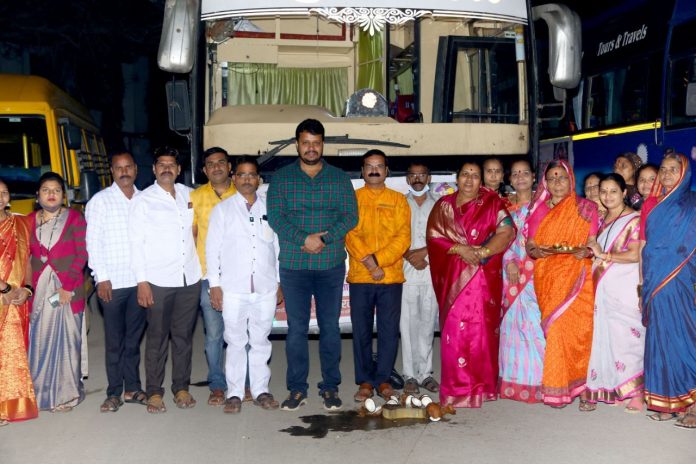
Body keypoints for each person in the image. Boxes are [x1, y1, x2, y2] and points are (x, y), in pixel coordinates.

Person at [267, 119, 358, 411]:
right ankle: (297, 388)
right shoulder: (281, 179)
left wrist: (325, 239)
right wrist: (304, 239)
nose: (311, 148)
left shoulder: (339, 178)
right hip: (294, 266)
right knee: (296, 329)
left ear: (322, 145)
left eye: (316, 143)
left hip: (330, 265)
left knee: (330, 327)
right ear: (297, 145)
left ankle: (330, 386)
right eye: (305, 143)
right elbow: (277, 218)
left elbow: (350, 216)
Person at [427, 162, 514, 408]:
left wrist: (482, 252)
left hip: (483, 281)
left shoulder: (493, 203)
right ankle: (456, 390)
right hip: (454, 281)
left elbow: (507, 231)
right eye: (465, 174)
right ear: (457, 178)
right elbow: (433, 237)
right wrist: (459, 248)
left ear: (481, 181)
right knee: (454, 335)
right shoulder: (443, 206)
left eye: (475, 175)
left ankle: (482, 389)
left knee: (482, 335)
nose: (469, 179)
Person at [207, 156, 282, 414]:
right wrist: (214, 285)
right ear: (234, 178)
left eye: (252, 174)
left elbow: (277, 248)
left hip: (265, 286)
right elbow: (212, 250)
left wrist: (279, 281)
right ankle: (235, 393)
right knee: (236, 342)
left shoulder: (270, 208)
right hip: (233, 288)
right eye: (242, 174)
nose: (247, 179)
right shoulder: (223, 210)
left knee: (261, 341)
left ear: (258, 179)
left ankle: (261, 390)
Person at [129, 147, 202, 414]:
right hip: (158, 280)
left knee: (183, 337)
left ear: (179, 169)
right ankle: (154, 392)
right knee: (157, 338)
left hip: (189, 278)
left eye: (172, 164)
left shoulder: (190, 195)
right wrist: (142, 282)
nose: (167, 169)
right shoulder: (143, 200)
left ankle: (181, 388)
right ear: (154, 169)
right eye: (162, 164)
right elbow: (136, 243)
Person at [526, 160, 598, 409]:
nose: (557, 182)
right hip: (548, 276)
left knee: (581, 332)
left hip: (578, 275)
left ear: (571, 180)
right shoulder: (538, 210)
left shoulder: (586, 208)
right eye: (552, 178)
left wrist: (587, 251)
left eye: (562, 177)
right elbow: (530, 244)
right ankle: (558, 388)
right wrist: (536, 251)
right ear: (545, 183)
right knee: (556, 331)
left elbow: (592, 241)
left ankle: (584, 388)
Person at [346, 150, 410, 402]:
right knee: (361, 330)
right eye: (369, 166)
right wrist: (370, 263)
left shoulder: (398, 200)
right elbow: (349, 233)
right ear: (362, 171)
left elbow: (403, 237)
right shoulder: (352, 199)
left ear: (386, 171)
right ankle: (364, 380)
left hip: (390, 276)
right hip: (361, 276)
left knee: (388, 330)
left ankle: (383, 379)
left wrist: (378, 262)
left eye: (379, 166)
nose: (374, 170)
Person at [86, 151, 147, 413]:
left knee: (133, 339)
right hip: (112, 283)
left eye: (128, 167)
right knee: (115, 341)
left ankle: (132, 388)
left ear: (136, 169)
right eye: (118, 168)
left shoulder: (145, 199)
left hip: (140, 282)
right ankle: (113, 393)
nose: (124, 172)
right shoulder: (101, 201)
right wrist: (101, 278)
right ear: (112, 171)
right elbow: (93, 242)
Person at [639, 152, 696, 429]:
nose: (667, 174)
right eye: (663, 169)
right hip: (655, 281)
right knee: (660, 342)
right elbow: (646, 246)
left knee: (684, 340)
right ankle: (668, 403)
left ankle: (694, 405)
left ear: (685, 173)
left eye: (674, 169)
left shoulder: (693, 204)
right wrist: (642, 284)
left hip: (682, 281)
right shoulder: (653, 205)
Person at [28, 172, 88, 412]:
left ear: (64, 195)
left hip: (67, 291)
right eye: (46, 190)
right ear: (37, 196)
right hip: (40, 292)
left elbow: (82, 254)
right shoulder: (28, 221)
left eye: (56, 190)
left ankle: (65, 395)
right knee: (40, 341)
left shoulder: (74, 218)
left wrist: (67, 288)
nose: (51, 194)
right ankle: (41, 394)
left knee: (67, 342)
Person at [585, 173, 644, 413]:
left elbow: (635, 254)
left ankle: (636, 392)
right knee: (607, 338)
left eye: (613, 191)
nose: (607, 196)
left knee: (627, 338)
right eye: (603, 191)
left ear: (624, 193)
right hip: (603, 289)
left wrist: (604, 255)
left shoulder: (634, 219)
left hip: (624, 287)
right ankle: (617, 387)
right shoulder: (601, 219)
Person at [190, 147, 236, 407]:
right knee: (214, 334)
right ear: (204, 170)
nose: (216, 167)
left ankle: (244, 383)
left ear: (229, 167)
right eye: (211, 164)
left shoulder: (243, 192)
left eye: (221, 162)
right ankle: (217, 384)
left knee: (241, 334)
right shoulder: (196, 197)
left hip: (240, 276)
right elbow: (192, 235)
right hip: (209, 276)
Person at [498, 159, 545, 403]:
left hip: (537, 272)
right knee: (512, 328)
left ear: (534, 176)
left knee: (535, 326)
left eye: (525, 173)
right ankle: (512, 381)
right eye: (515, 174)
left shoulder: (544, 204)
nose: (520, 177)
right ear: (509, 179)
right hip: (511, 273)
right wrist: (509, 262)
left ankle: (539, 381)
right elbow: (498, 239)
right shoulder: (503, 207)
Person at [400, 162, 440, 395]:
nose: (417, 178)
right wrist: (410, 255)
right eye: (413, 175)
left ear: (429, 178)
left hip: (431, 271)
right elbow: (392, 234)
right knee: (407, 325)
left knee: (427, 323)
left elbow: (445, 236)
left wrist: (424, 252)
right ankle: (410, 375)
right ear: (407, 179)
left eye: (422, 174)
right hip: (406, 272)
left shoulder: (439, 205)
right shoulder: (400, 203)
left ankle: (425, 374)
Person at [0, 179, 38, 425]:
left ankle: (8, 406)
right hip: (5, 294)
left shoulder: (21, 223)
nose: (0, 197)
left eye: (4, 192)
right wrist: (5, 288)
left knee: (11, 354)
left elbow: (28, 261)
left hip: (15, 300)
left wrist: (27, 289)